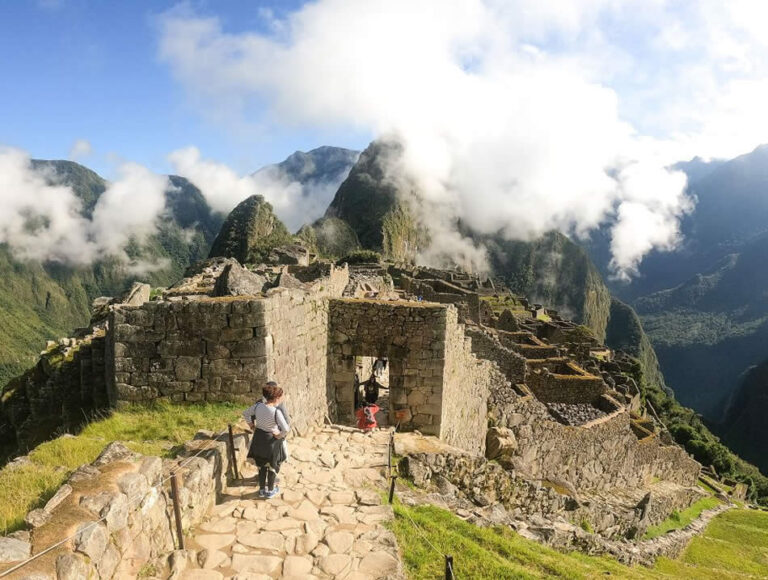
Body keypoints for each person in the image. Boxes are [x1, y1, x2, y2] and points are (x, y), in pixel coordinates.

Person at [243, 383, 290, 499]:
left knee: (261, 465)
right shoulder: (275, 412)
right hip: (271, 441)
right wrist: (279, 435)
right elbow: (286, 429)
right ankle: (270, 490)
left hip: (259, 438)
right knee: (272, 466)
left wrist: (252, 426)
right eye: (279, 397)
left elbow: (246, 413)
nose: (280, 400)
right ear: (275, 398)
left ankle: (261, 490)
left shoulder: (258, 406)